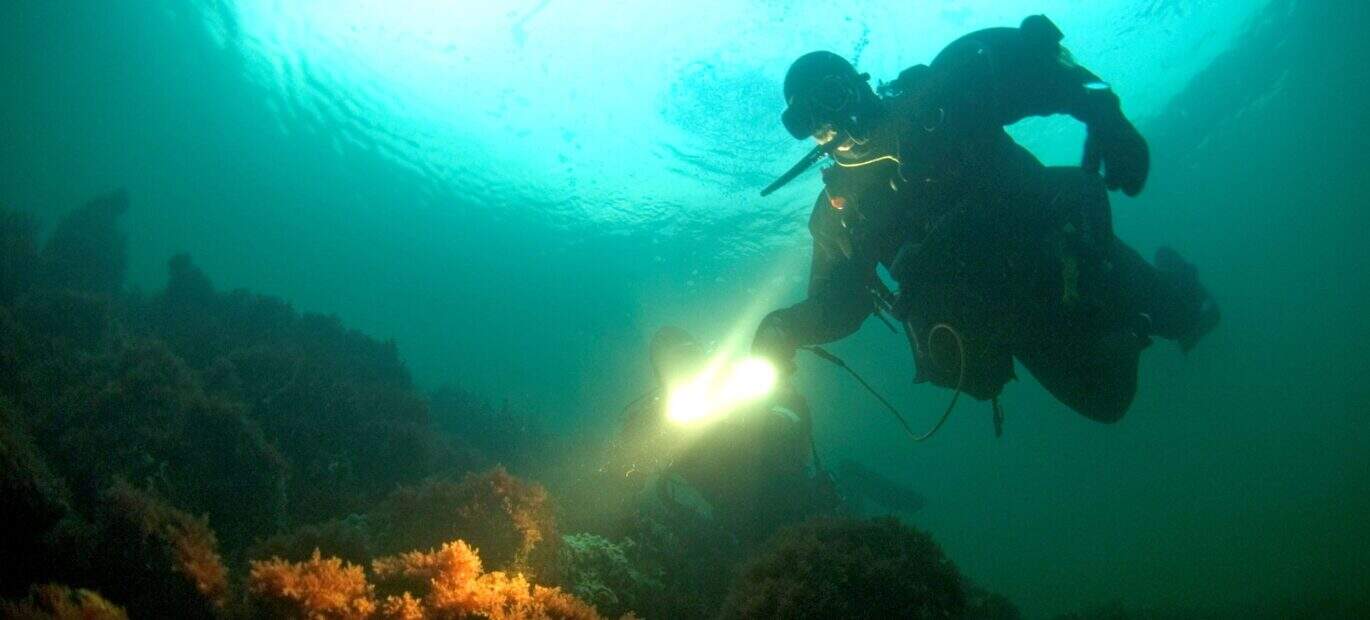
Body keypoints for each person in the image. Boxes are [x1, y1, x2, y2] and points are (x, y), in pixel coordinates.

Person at [752, 15, 1220, 423]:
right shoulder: (839, 214)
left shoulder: (939, 102)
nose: (828, 122)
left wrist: (1108, 118)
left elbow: (1041, 65)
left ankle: (1174, 291)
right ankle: (1128, 326)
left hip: (1066, 253)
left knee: (1187, 317)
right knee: (1108, 403)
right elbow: (839, 302)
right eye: (806, 119)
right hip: (1008, 318)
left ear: (859, 82)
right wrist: (784, 327)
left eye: (832, 95)